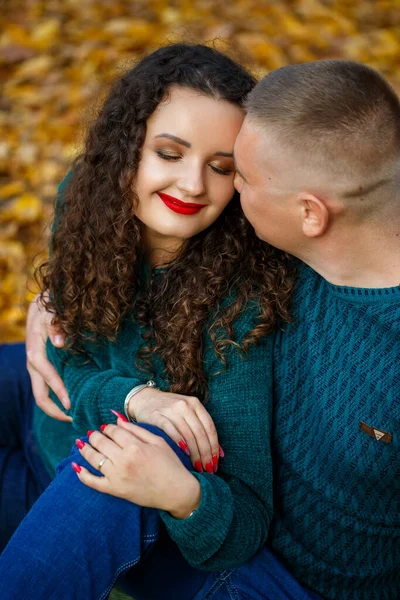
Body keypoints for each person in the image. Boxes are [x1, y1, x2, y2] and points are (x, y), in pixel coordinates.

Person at [2, 57, 399, 600]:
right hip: (56, 426)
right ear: (124, 149)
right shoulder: (93, 199)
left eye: (230, 170)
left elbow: (235, 506)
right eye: (168, 153)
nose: (195, 185)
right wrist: (49, 302)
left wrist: (178, 482)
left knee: (135, 445)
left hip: (137, 504)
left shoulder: (251, 291)